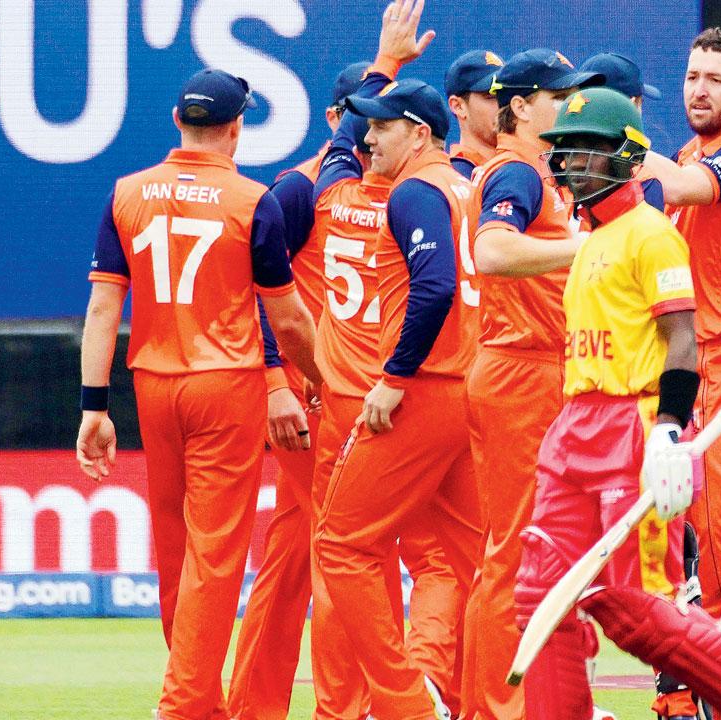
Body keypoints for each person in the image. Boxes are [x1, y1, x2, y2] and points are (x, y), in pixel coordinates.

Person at [512, 85, 721, 720]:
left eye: (587, 154)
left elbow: (682, 340)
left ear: (628, 159)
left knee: (633, 610)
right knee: (536, 594)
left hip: (632, 427)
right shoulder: (589, 241)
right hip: (573, 428)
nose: (571, 166)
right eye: (564, 154)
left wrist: (666, 431)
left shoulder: (652, 235)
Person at [75, 68, 321, 720]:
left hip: (153, 384)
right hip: (226, 384)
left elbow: (103, 309)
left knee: (176, 548)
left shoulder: (127, 192)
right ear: (237, 126)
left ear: (178, 122)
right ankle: (183, 707)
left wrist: (94, 407)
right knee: (215, 553)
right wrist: (323, 377)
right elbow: (289, 319)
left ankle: (199, 702)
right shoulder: (252, 200)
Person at [311, 24, 481, 715]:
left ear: (417, 132)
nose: (366, 140)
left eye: (380, 129)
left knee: (341, 546)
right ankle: (453, 690)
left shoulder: (412, 193)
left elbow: (436, 286)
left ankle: (405, 703)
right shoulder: (464, 184)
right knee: (467, 556)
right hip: (466, 390)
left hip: (418, 395)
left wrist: (394, 377)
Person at [227, 58, 373, 720]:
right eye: (361, 120)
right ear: (336, 120)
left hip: (360, 400)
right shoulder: (298, 190)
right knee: (342, 553)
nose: (372, 135)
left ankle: (253, 707)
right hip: (315, 403)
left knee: (295, 557)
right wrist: (274, 384)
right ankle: (341, 708)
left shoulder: (388, 190)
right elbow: (251, 292)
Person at [458, 47, 596, 720]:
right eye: (558, 95)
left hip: (534, 368)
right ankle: (494, 708)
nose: (570, 106)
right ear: (519, 106)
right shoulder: (516, 172)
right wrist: (593, 247)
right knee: (514, 550)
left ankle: (525, 700)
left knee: (531, 548)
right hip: (520, 371)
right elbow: (493, 251)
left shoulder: (536, 172)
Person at [637, 27, 721, 667]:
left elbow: (672, 185)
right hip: (673, 357)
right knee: (671, 526)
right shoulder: (691, 150)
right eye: (692, 76)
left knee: (716, 520)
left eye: (715, 80)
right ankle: (683, 680)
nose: (697, 89)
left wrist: (612, 135)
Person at [445, 49, 504, 179]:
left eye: (506, 94)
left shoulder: (532, 167)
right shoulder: (453, 178)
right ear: (458, 106)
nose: (504, 104)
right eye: (491, 96)